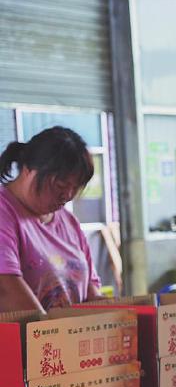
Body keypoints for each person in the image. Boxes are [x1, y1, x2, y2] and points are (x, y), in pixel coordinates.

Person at [0, 127, 103, 312]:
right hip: (34, 331)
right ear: (28, 169)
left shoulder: (69, 223)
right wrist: (54, 328)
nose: (68, 196)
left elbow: (90, 291)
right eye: (61, 185)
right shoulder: (4, 213)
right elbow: (6, 290)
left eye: (75, 188)